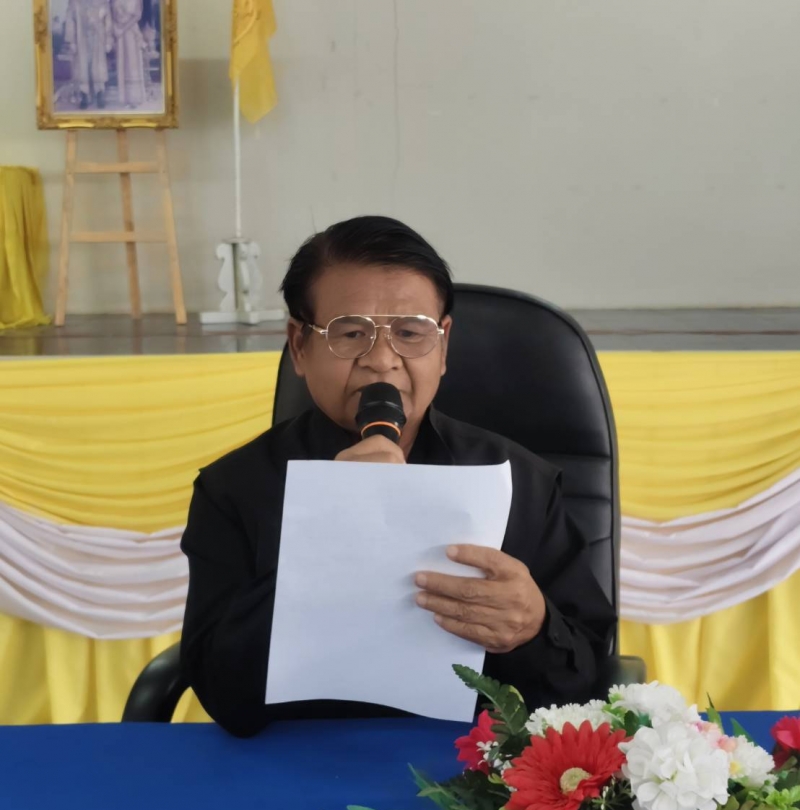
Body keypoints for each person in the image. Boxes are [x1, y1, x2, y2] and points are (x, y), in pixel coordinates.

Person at [180, 217, 616, 737]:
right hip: (293, 753)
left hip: (471, 765)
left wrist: (534, 626)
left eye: (410, 333)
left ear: (443, 345)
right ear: (299, 346)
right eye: (350, 333)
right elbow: (222, 694)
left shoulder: (519, 480)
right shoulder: (234, 488)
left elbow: (588, 683)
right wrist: (328, 537)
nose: (382, 361)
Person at [64, 0, 113, 110]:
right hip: (81, 37)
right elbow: (70, 20)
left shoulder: (103, 2)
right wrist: (71, 41)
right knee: (82, 66)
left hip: (98, 38)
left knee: (98, 66)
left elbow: (108, 21)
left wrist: (109, 40)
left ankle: (100, 93)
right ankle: (84, 95)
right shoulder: (75, 2)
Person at [111, 0, 148, 109]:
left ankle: (135, 98)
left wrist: (122, 29)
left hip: (131, 32)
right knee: (122, 64)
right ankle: (125, 98)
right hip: (119, 34)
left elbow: (137, 16)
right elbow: (113, 15)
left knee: (132, 65)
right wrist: (116, 29)